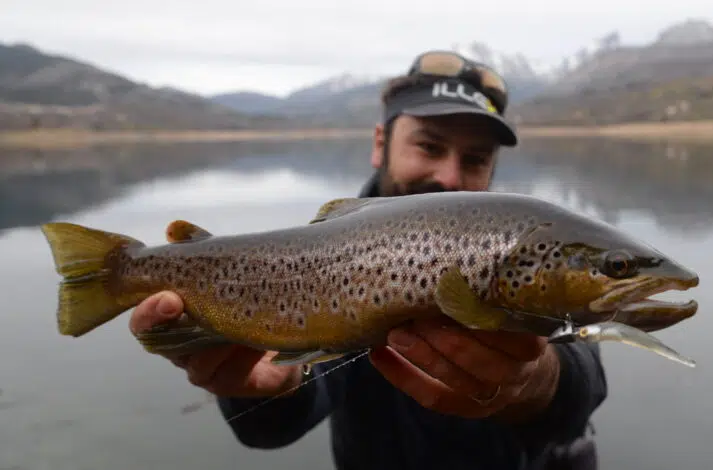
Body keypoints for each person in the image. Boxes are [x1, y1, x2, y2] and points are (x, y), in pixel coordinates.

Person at [128, 50, 607, 470]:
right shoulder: (324, 258)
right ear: (381, 144)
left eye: (475, 158)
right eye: (430, 146)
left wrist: (538, 383)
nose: (448, 176)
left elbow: (584, 382)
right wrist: (264, 388)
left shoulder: (522, 250)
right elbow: (275, 426)